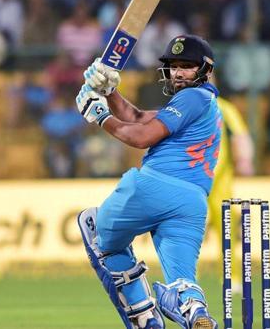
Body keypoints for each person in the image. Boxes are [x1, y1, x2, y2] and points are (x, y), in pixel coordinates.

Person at [75, 35, 222, 329]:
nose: (178, 73)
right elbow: (139, 117)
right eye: (174, 66)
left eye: (187, 66)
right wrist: (110, 91)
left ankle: (144, 315)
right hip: (191, 204)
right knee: (182, 279)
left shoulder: (192, 97)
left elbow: (141, 137)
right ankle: (195, 311)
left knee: (95, 229)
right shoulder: (205, 104)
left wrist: (100, 115)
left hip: (153, 187)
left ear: (205, 70)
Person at [206, 94, 254, 293]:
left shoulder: (223, 106)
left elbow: (240, 134)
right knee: (187, 230)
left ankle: (232, 277)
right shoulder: (183, 104)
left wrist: (245, 160)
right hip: (193, 177)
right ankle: (186, 278)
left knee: (226, 228)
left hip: (220, 179)